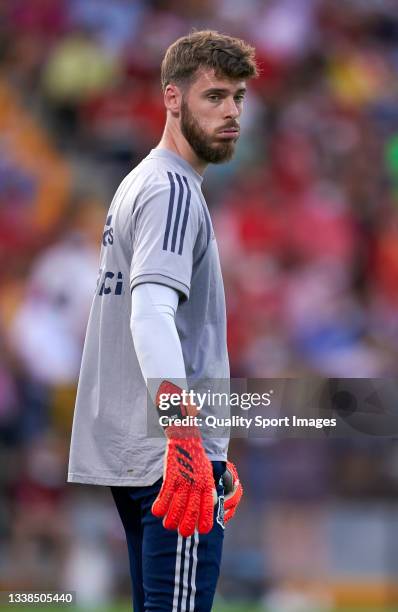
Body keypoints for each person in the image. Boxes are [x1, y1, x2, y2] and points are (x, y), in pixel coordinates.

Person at [68, 29, 258, 611]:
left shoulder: (142, 183)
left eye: (238, 98)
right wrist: (186, 436)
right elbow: (150, 312)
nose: (230, 113)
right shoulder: (173, 190)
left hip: (143, 452)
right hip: (170, 456)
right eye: (214, 97)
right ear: (172, 98)